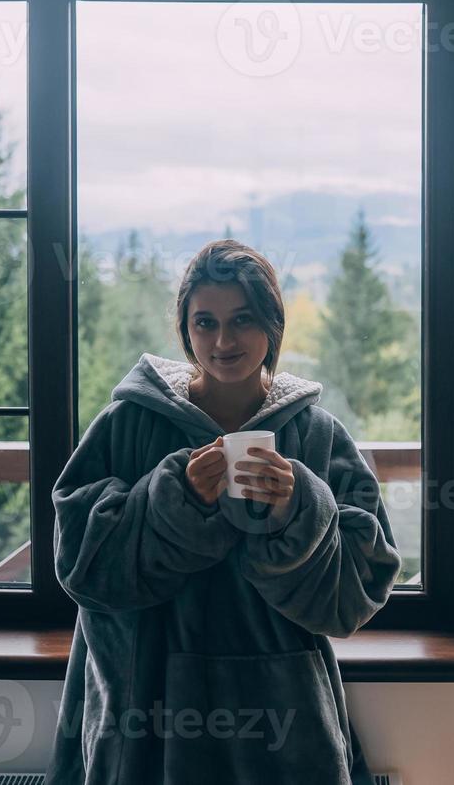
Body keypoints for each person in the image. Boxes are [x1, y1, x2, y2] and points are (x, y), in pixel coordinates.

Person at [45, 239, 402, 784]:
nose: (223, 340)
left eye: (243, 320)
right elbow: (80, 567)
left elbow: (358, 591)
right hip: (147, 707)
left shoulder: (318, 435)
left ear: (273, 325)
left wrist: (298, 506)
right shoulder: (128, 423)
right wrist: (172, 501)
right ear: (185, 329)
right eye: (205, 322)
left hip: (283, 715)